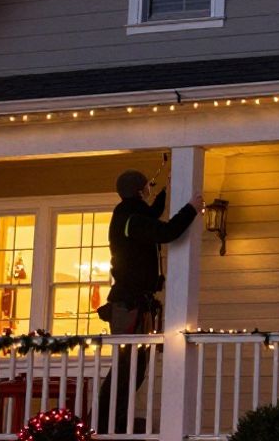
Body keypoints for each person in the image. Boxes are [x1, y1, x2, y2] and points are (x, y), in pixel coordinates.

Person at [95, 169, 202, 433]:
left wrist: (166, 191)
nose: (149, 191)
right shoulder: (130, 219)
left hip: (134, 304)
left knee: (135, 366)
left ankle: (113, 421)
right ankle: (104, 422)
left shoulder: (130, 215)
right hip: (128, 306)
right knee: (127, 366)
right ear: (140, 190)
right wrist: (191, 208)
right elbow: (166, 232)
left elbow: (152, 215)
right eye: (148, 188)